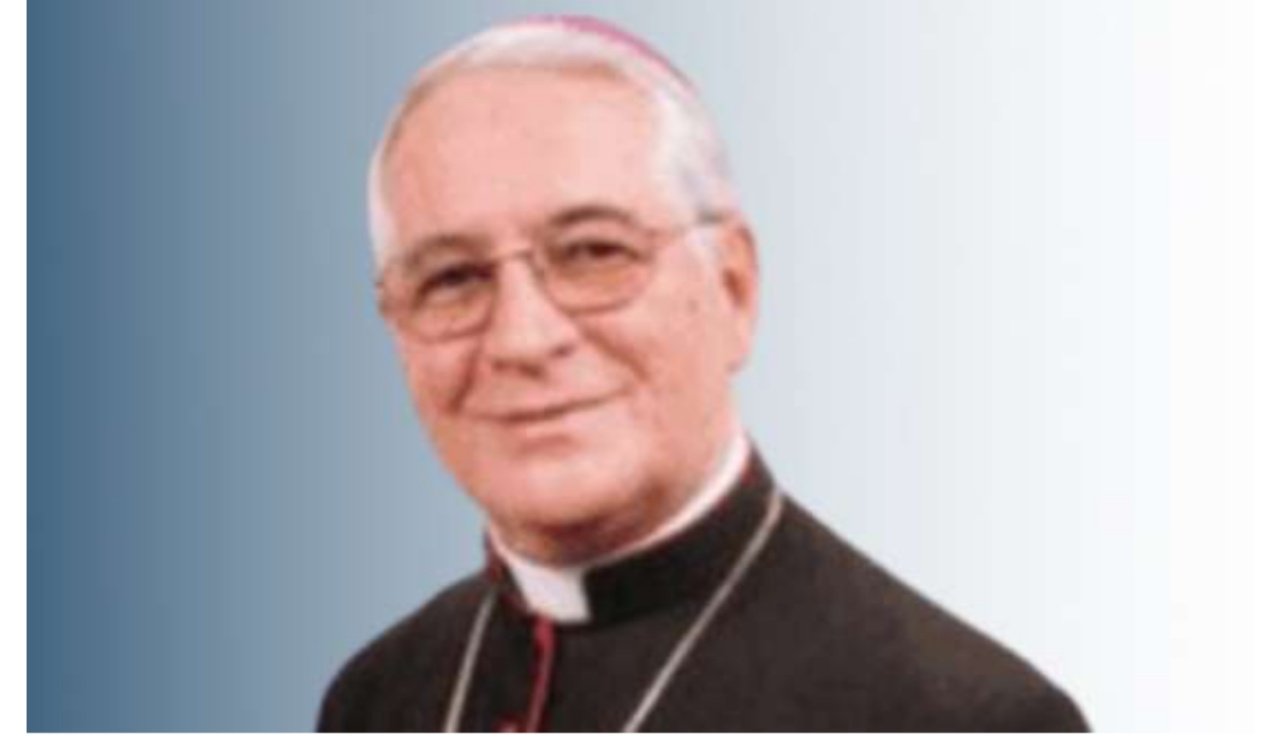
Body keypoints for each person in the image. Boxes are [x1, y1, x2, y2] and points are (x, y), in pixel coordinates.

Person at [319, 16, 1088, 732]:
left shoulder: (960, 716)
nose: (522, 338)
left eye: (592, 252)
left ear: (733, 288)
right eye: (451, 278)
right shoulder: (376, 697)